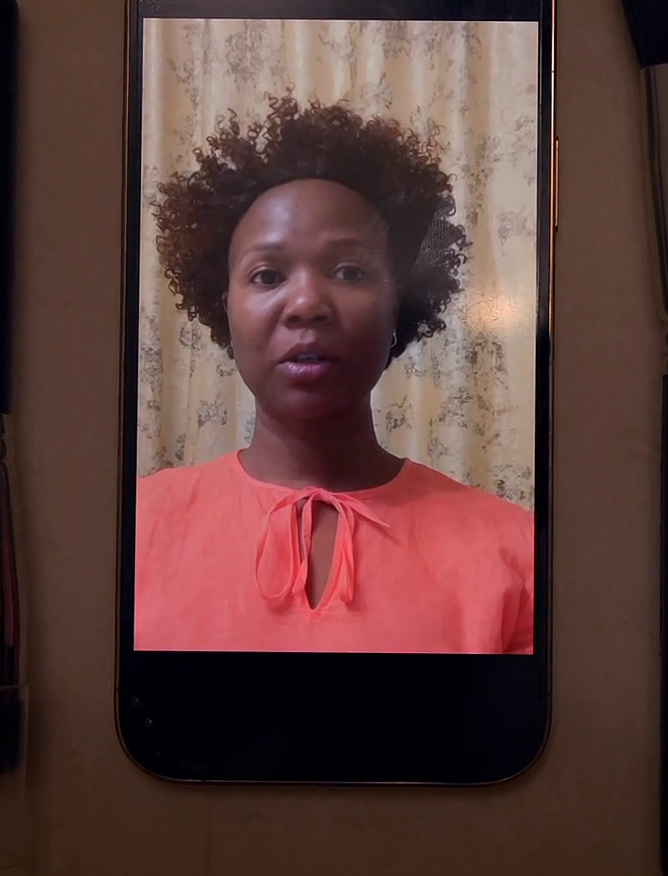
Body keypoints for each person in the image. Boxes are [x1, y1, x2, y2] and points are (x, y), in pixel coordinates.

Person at [134, 94, 535, 654]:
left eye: (349, 271)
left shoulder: (516, 553)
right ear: (225, 310)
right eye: (267, 275)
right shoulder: (133, 530)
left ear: (396, 308)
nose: (306, 304)